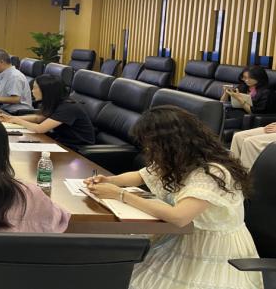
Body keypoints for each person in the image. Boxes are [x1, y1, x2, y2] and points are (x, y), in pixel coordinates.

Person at [85, 106, 262, 289]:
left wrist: (121, 194)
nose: (148, 149)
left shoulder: (213, 172)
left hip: (216, 249)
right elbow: (142, 175)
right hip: (186, 238)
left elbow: (179, 217)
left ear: (170, 143)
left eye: (151, 144)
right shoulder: (181, 158)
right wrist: (110, 180)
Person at [0, 74, 94, 147]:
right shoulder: (54, 102)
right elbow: (38, 118)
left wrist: (16, 120)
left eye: (35, 88)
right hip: (59, 141)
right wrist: (10, 118)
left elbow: (40, 129)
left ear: (46, 91)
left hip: (76, 148)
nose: (32, 91)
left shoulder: (68, 107)